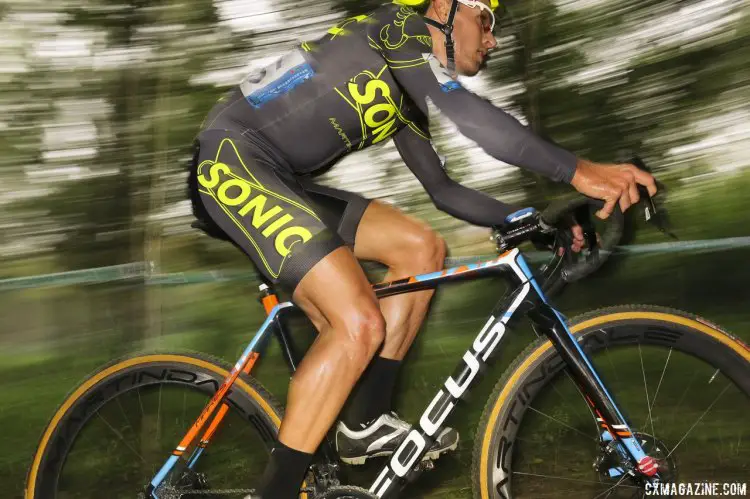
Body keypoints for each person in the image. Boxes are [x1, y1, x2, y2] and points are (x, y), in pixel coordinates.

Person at [186, 0, 658, 497]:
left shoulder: (407, 85)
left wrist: (534, 221)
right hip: (232, 161)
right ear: (443, 7)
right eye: (487, 20)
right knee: (358, 322)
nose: (493, 39)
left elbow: (443, 190)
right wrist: (581, 171)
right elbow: (472, 119)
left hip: (275, 174)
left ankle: (363, 426)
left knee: (421, 247)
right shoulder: (397, 30)